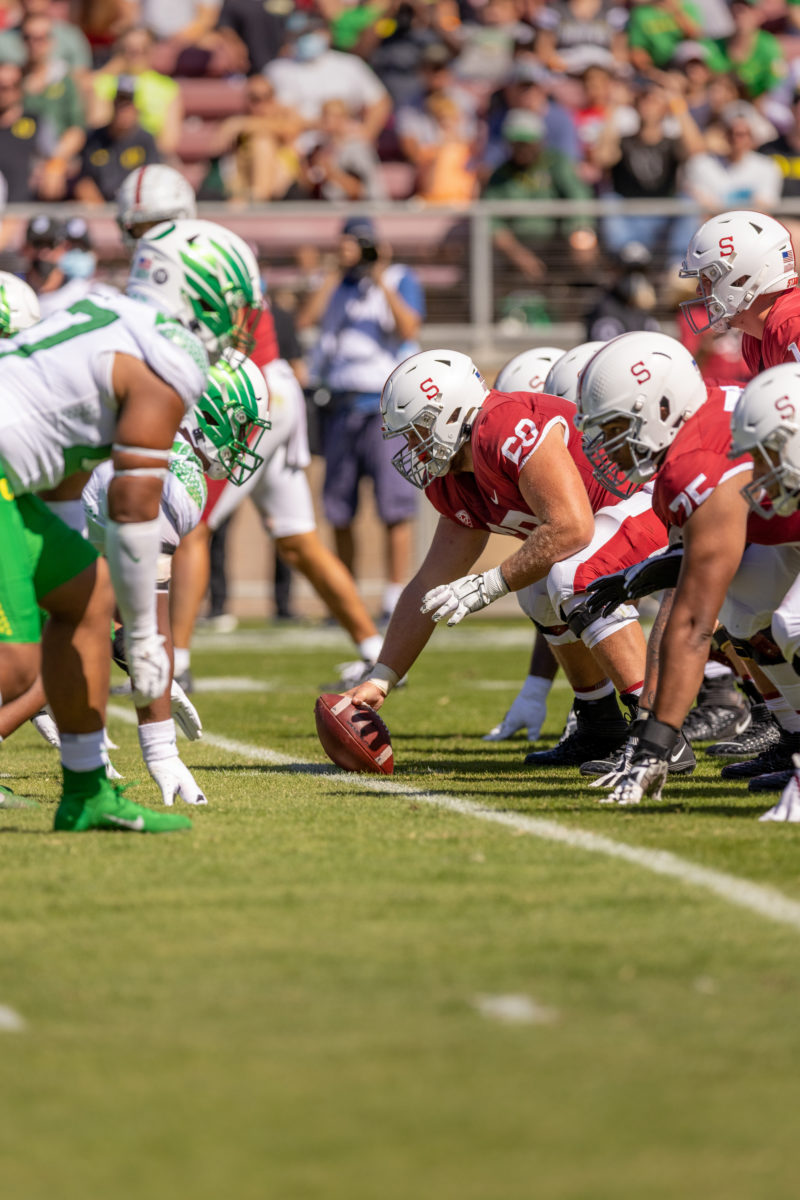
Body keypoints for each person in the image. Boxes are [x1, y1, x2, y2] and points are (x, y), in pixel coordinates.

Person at [0, 216, 262, 832]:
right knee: (15, 662)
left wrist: (75, 574)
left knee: (88, 601)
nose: (232, 318)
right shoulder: (167, 353)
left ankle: (87, 792)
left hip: (18, 474)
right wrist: (143, 635)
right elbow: (133, 508)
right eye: (227, 302)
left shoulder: (105, 314)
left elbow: (66, 470)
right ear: (189, 287)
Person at [110, 170, 386, 687]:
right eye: (141, 225)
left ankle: (177, 664)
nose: (149, 236)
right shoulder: (208, 250)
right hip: (265, 387)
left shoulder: (195, 260)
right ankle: (376, 649)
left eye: (156, 223)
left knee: (187, 520)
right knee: (297, 540)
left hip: (246, 392)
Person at [342, 348, 670, 772]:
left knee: (574, 574)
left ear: (450, 412)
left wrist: (490, 584)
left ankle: (658, 732)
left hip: (655, 498)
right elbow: (429, 584)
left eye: (417, 430)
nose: (412, 447)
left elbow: (571, 528)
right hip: (614, 520)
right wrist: (382, 677)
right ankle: (600, 723)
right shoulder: (454, 477)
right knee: (537, 589)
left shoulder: (502, 427)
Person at [574, 332, 800, 806]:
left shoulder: (694, 465)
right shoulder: (704, 421)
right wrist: (660, 564)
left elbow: (694, 623)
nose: (608, 447)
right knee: (744, 611)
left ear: (661, 408)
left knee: (791, 624)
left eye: (615, 427)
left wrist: (654, 744)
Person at [302, 215, 425, 621]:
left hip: (385, 407)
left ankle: (393, 597)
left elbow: (408, 326)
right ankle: (346, 595)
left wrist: (380, 275)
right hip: (340, 404)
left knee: (395, 507)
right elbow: (307, 319)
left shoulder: (400, 277)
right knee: (338, 508)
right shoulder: (337, 285)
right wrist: (337, 273)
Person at [482, 108, 595, 287]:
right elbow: (492, 223)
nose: (521, 149)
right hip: (518, 250)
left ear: (540, 141)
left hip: (560, 246)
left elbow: (579, 199)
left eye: (526, 142)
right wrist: (518, 255)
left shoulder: (557, 164)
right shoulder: (500, 176)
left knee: (588, 257)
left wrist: (581, 237)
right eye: (516, 143)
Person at [679, 209, 800, 376]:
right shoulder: (754, 338)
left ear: (741, 280)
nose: (699, 291)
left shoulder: (792, 325)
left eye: (707, 279)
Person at [265, 9, 391, 144]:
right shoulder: (277, 69)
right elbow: (270, 111)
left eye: (310, 33)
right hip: (297, 143)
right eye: (299, 35)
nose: (304, 39)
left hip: (345, 142)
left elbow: (380, 102)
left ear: (326, 33)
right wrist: (318, 125)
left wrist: (367, 133)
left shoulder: (350, 64)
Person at [89, 25, 182, 156]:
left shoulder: (167, 87)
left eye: (143, 49)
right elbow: (98, 127)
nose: (136, 54)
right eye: (130, 50)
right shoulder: (105, 83)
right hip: (112, 156)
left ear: (152, 50)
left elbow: (169, 142)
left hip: (151, 157)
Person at [74, 73, 159, 203]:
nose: (123, 111)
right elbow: (84, 180)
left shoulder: (146, 140)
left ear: (136, 109)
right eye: (120, 105)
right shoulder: (94, 138)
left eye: (128, 106)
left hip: (135, 207)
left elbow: (153, 180)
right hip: (99, 208)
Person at [683, 105, 783, 215]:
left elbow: (764, 209)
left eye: (742, 134)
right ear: (724, 135)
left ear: (752, 136)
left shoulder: (767, 166)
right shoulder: (700, 164)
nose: (736, 139)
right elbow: (703, 209)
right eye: (731, 133)